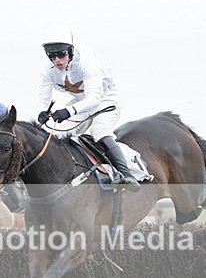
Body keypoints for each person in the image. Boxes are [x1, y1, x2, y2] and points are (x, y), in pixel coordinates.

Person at [36, 25, 140, 191]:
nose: (57, 60)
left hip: (105, 98)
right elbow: (43, 98)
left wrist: (68, 111)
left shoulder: (86, 61)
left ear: (70, 50)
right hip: (80, 103)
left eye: (61, 54)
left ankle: (126, 174)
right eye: (52, 55)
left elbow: (94, 98)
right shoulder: (47, 69)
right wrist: (41, 112)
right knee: (57, 133)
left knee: (98, 131)